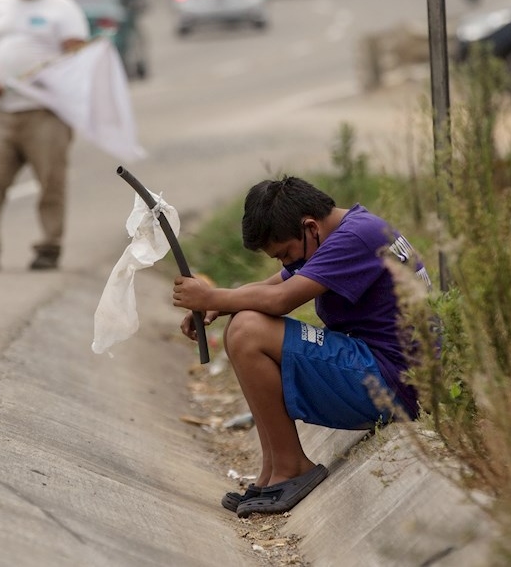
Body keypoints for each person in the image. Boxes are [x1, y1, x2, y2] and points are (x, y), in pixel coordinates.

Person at [171, 176, 431, 518]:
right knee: (243, 322)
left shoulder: (354, 238)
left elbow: (280, 299)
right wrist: (219, 306)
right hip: (384, 371)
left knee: (249, 330)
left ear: (310, 227)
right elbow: (273, 285)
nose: (284, 264)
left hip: (392, 384)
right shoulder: (345, 230)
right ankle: (273, 470)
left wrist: (212, 296)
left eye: (285, 254)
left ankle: (292, 467)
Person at [0, 0, 90, 271]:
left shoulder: (62, 8)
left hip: (45, 115)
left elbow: (78, 57)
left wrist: (51, 79)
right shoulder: (0, 5)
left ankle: (49, 246)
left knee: (50, 181)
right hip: (3, 112)